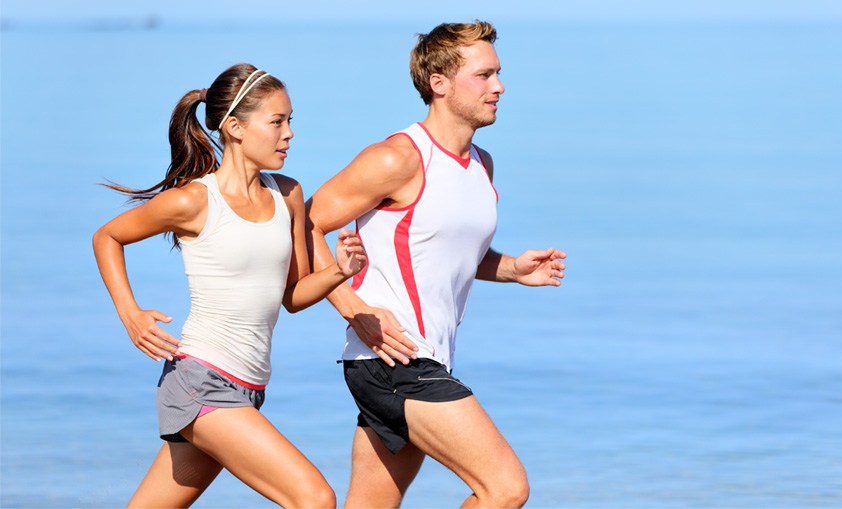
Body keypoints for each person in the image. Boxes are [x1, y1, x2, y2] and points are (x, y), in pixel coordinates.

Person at [306, 20, 566, 508]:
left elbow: (440, 248)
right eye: (484, 75)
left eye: (498, 74)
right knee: (505, 488)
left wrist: (511, 268)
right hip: (396, 360)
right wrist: (352, 308)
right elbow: (302, 224)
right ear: (438, 83)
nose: (499, 86)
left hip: (418, 358)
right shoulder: (397, 158)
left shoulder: (481, 164)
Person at [92, 63, 365, 508]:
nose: (289, 133)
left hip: (248, 386)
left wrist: (339, 271)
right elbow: (108, 236)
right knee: (314, 498)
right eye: (276, 121)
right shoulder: (195, 201)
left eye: (290, 120)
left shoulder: (288, 194)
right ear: (235, 127)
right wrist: (131, 314)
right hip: (201, 382)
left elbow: (291, 297)